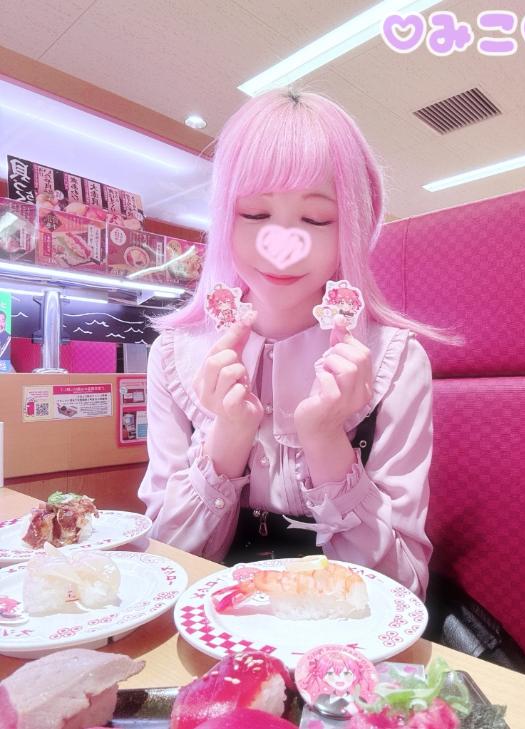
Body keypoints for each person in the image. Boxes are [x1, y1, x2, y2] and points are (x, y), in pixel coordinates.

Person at [139, 88, 448, 599]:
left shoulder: (396, 361)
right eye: (254, 214)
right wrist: (228, 434)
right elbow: (166, 566)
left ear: (353, 225)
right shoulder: (173, 355)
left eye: (316, 219)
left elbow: (402, 589)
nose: (280, 244)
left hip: (346, 627)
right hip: (213, 621)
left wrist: (325, 439)